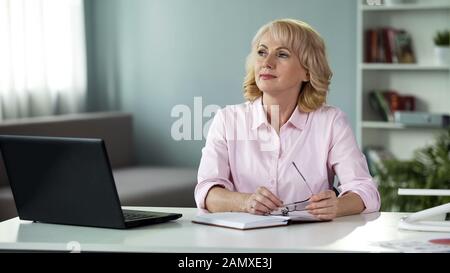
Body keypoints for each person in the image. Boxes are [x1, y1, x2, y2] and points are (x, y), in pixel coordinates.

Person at [194, 19, 380, 220]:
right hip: (242, 242)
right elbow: (206, 191)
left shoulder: (331, 121)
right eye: (262, 52)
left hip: (311, 243)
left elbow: (366, 191)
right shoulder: (227, 119)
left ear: (308, 71)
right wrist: (245, 202)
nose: (267, 63)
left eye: (282, 54)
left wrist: (338, 205)